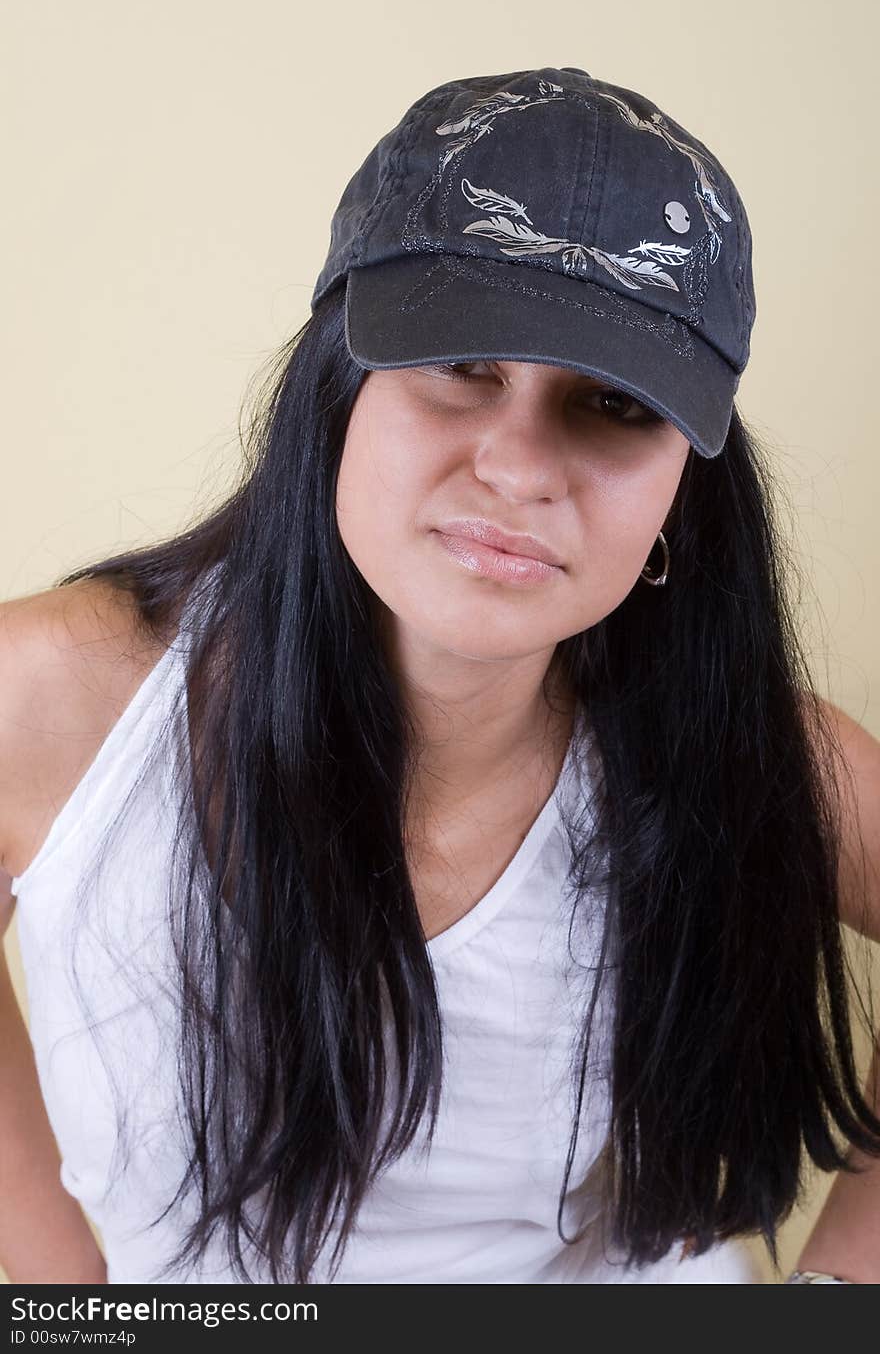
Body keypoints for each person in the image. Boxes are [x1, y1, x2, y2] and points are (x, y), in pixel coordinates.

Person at [2, 65, 879, 1286]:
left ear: (688, 477)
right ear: (338, 385)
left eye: (613, 404)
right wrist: (53, 1291)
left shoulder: (749, 756)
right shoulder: (55, 698)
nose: (518, 468)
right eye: (462, 362)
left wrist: (839, 1290)